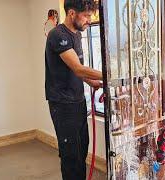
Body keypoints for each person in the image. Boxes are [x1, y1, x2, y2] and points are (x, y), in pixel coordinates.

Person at [45, 0, 102, 179]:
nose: (89, 20)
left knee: (82, 149)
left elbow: (75, 69)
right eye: (86, 16)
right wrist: (109, 75)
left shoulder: (76, 35)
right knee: (71, 155)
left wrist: (91, 82)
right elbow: (78, 67)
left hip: (78, 101)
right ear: (71, 13)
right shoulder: (56, 35)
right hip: (62, 105)